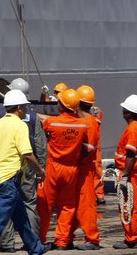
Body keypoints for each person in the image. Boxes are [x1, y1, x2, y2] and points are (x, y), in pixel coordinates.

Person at [0, 78, 47, 253]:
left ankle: (32, 247)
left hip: (0, 175)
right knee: (2, 215)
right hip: (12, 176)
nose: (25, 109)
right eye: (24, 106)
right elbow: (34, 150)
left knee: (19, 215)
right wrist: (40, 169)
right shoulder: (24, 123)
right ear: (19, 107)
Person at [37, 89, 88, 249]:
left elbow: (44, 125)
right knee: (67, 206)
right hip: (71, 169)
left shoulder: (52, 123)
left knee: (45, 205)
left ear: (62, 106)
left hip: (52, 168)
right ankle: (62, 241)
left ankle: (40, 239)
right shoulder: (82, 125)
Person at [111, 94, 137, 250]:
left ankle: (132, 239)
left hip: (133, 174)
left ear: (128, 112)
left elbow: (130, 154)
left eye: (124, 109)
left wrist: (125, 175)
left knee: (129, 207)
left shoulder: (133, 129)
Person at [71, 85, 101, 250]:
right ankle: (68, 236)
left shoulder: (89, 122)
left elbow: (88, 149)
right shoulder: (84, 120)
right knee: (74, 203)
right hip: (79, 168)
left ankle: (92, 239)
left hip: (85, 168)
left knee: (86, 204)